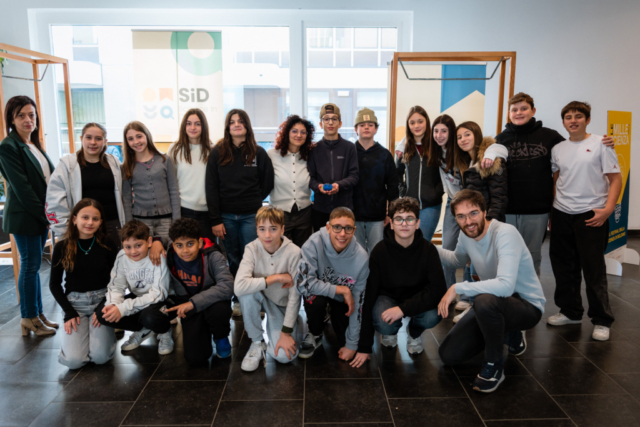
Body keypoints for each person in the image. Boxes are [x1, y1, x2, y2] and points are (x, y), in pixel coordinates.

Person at [437, 189, 546, 393]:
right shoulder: (466, 235)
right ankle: (511, 336)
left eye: (473, 213)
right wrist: (425, 247)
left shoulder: (505, 233)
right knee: (448, 355)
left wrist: (457, 287)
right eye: (461, 216)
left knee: (484, 301)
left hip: (526, 306)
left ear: (485, 211)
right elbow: (457, 260)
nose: (468, 221)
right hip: (494, 302)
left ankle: (494, 366)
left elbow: (505, 286)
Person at [495, 93, 615, 276]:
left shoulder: (550, 137)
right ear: (509, 113)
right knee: (505, 254)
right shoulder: (500, 139)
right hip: (507, 209)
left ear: (533, 110)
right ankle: (506, 291)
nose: (519, 113)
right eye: (514, 110)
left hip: (537, 210)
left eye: (524, 108)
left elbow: (575, 146)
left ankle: (531, 293)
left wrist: (605, 142)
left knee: (532, 256)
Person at [547, 101, 621, 341]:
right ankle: (570, 312)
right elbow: (557, 179)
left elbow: (615, 179)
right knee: (563, 267)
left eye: (578, 116)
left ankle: (602, 320)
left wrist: (607, 210)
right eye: (568, 117)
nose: (573, 120)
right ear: (563, 122)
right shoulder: (558, 148)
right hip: (562, 213)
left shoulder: (601, 144)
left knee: (593, 269)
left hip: (591, 214)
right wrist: (553, 213)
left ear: (587, 120)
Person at [353, 197, 445, 367]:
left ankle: (414, 332)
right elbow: (369, 295)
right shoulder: (379, 251)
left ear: (417, 223)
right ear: (391, 224)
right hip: (388, 297)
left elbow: (438, 290)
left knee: (434, 314)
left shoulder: (429, 250)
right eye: (398, 219)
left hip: (418, 297)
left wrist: (402, 309)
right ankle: (390, 331)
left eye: (409, 219)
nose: (404, 224)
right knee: (382, 320)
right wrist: (364, 346)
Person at [206, 109, 274, 316]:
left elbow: (268, 181)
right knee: (233, 258)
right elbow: (211, 187)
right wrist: (215, 219)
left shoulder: (258, 152)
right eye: (232, 122)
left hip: (251, 216)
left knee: (252, 257)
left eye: (240, 121)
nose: (236, 125)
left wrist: (252, 199)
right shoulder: (217, 152)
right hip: (226, 217)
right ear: (227, 127)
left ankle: (255, 298)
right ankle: (238, 297)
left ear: (247, 126)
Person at [0, 96, 57, 335]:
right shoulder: (8, 146)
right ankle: (28, 317)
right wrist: (46, 217)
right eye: (21, 115)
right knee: (30, 266)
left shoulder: (33, 144)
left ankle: (37, 314)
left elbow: (47, 180)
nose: (28, 120)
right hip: (25, 216)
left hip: (39, 214)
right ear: (11, 119)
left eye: (31, 115)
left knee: (33, 267)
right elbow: (23, 189)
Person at [49, 199, 118, 369]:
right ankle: (79, 341)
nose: (90, 222)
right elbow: (54, 284)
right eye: (85, 217)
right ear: (74, 219)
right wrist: (69, 312)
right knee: (74, 361)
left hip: (102, 302)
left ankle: (104, 340)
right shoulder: (62, 247)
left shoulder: (107, 243)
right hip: (75, 304)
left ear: (100, 222)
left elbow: (117, 280)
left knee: (100, 357)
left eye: (95, 219)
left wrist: (105, 305)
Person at [295, 207, 369, 362]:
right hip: (320, 293)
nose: (342, 234)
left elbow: (359, 303)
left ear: (354, 230)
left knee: (346, 340)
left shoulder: (362, 258)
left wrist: (352, 344)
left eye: (348, 228)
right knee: (315, 303)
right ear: (328, 227)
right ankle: (315, 333)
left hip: (342, 300)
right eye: (337, 227)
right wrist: (340, 289)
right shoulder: (313, 243)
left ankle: (332, 311)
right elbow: (302, 284)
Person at [235, 205, 302, 371]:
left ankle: (293, 323)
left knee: (284, 357)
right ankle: (257, 342)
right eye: (262, 229)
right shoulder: (251, 248)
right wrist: (276, 278)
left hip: (281, 304)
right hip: (260, 296)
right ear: (256, 230)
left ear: (282, 229)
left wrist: (286, 333)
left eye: (273, 229)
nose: (267, 235)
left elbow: (295, 295)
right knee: (246, 293)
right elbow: (239, 287)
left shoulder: (294, 252)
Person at [94, 219, 174, 355]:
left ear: (149, 241)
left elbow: (159, 294)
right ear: (122, 245)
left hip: (164, 300)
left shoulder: (157, 255)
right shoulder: (121, 256)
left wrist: (124, 308)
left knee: (150, 316)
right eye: (128, 247)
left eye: (138, 245)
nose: (133, 251)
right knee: (103, 313)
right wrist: (114, 304)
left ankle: (164, 330)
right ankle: (143, 330)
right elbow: (116, 285)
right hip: (139, 297)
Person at [164, 218, 234, 365]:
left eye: (190, 244)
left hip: (212, 302)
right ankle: (202, 330)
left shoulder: (213, 255)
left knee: (219, 312)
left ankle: (221, 337)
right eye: (179, 245)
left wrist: (193, 303)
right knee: (196, 358)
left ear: (200, 242)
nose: (185, 250)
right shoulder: (169, 256)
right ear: (174, 245)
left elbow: (227, 285)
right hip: (187, 302)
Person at [46, 123, 125, 248]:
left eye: (98, 138)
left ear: (105, 141)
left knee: (115, 260)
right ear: (81, 139)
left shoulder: (114, 162)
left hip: (112, 225)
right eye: (88, 137)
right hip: (83, 227)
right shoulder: (67, 165)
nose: (93, 142)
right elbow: (54, 200)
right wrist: (64, 231)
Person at [122, 121, 180, 240]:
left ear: (147, 135)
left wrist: (176, 220)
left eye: (139, 136)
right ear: (127, 142)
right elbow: (126, 198)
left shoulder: (164, 160)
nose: (136, 142)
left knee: (166, 249)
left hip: (166, 220)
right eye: (130, 139)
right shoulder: (126, 166)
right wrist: (129, 225)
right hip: (140, 221)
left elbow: (174, 191)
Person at [352, 108, 399, 253]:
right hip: (353, 214)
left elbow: (392, 186)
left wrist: (391, 213)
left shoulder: (385, 154)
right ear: (356, 129)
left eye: (370, 125)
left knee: (377, 252)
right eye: (362, 125)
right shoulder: (349, 152)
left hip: (378, 215)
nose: (366, 127)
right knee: (357, 252)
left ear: (376, 129)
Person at [307, 103, 359, 231]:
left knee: (343, 240)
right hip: (320, 208)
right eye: (326, 119)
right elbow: (310, 178)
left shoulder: (349, 147)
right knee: (320, 241)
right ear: (321, 124)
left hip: (344, 209)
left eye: (334, 119)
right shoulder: (314, 149)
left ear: (340, 123)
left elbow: (354, 176)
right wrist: (319, 187)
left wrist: (338, 185)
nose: (330, 122)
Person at [396, 106, 443, 241]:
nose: (416, 126)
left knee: (422, 241)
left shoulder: (437, 145)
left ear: (427, 122)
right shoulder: (404, 148)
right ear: (408, 125)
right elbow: (397, 173)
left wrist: (436, 192)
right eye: (412, 122)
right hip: (409, 205)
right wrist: (403, 192)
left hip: (431, 205)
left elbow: (446, 172)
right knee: (408, 241)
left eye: (420, 121)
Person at [268, 115, 315, 248]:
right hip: (279, 213)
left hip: (304, 212)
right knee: (282, 251)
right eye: (294, 131)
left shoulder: (310, 155)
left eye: (303, 132)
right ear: (286, 133)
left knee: (303, 251)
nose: (298, 135)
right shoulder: (272, 154)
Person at [169, 109, 215, 242]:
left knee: (207, 250)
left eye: (197, 124)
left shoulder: (213, 150)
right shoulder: (175, 149)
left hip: (207, 213)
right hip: (183, 210)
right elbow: (171, 182)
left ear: (203, 126)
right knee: (186, 250)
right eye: (189, 123)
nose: (193, 127)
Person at [455, 121, 508, 223]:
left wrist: (490, 222)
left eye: (467, 135)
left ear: (477, 135)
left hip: (488, 222)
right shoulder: (467, 163)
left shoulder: (490, 159)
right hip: (473, 221)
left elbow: (499, 198)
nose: (463, 139)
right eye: (459, 137)